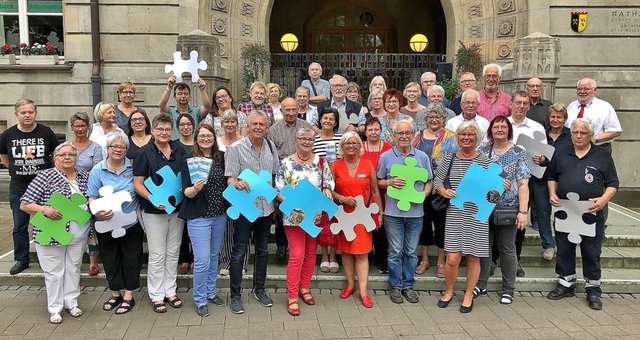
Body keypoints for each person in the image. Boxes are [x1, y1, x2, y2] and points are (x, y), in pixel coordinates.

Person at [546, 118, 619, 311]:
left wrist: (603, 200)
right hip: (566, 211)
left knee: (591, 252)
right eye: (575, 132)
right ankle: (565, 284)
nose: (578, 136)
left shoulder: (602, 156)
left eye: (583, 133)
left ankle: (593, 289)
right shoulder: (561, 154)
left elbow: (613, 183)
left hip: (591, 213)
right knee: (564, 248)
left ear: (591, 135)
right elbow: (551, 176)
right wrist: (552, 193)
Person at [20, 142, 90, 324]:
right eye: (62, 155)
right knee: (54, 272)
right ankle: (55, 307)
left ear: (76, 158)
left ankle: (71, 302)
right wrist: (45, 209)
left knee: (73, 269)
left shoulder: (84, 176)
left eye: (71, 155)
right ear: (54, 158)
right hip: (51, 232)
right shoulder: (45, 176)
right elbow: (25, 203)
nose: (67, 158)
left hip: (78, 233)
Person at [433, 122, 495, 313]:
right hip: (454, 213)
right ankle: (449, 290)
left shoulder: (486, 161)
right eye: (463, 135)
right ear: (457, 137)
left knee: (473, 257)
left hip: (476, 215)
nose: (466, 137)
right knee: (452, 259)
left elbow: (493, 194)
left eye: (470, 134)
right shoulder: (449, 158)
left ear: (477, 138)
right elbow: (437, 182)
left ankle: (468, 295)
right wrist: (444, 191)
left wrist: (500, 188)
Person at [225, 110, 280, 314]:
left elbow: (274, 176)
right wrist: (237, 183)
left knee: (263, 250)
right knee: (240, 251)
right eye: (254, 124)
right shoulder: (235, 149)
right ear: (247, 126)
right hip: (245, 209)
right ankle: (236, 295)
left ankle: (259, 289)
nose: (258, 127)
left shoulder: (271, 147)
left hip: (266, 209)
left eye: (262, 125)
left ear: (266, 128)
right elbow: (230, 179)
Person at [275, 127, 335, 316]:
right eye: (303, 139)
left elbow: (329, 182)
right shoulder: (286, 163)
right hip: (295, 215)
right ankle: (292, 296)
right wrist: (293, 203)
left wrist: (327, 189)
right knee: (297, 255)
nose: (307, 142)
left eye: (310, 139)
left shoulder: (321, 162)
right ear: (296, 140)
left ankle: (305, 288)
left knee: (310, 253)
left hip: (314, 215)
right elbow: (279, 189)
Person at [133, 113, 186, 313]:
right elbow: (137, 184)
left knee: (173, 252)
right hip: (154, 211)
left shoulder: (178, 150)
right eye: (160, 129)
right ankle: (156, 294)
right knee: (157, 254)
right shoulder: (144, 153)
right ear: (152, 131)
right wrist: (153, 198)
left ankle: (170, 290)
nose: (164, 133)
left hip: (177, 210)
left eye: (167, 129)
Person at [0, 98, 59, 275]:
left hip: (44, 187)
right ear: (16, 114)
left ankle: (46, 257)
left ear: (35, 113)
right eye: (23, 112)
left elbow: (56, 154)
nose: (27, 115)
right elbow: (4, 158)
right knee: (20, 225)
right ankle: (21, 259)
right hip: (19, 186)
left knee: (45, 221)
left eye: (30, 112)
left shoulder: (46, 132)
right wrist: (18, 168)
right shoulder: (8, 135)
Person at [475, 116, 530, 305]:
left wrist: (523, 212)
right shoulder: (481, 151)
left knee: (507, 248)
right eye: (496, 126)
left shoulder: (518, 152)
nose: (499, 129)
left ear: (509, 130)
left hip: (508, 207)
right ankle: (481, 283)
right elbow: (474, 179)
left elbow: (523, 183)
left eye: (503, 126)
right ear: (490, 130)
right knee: (484, 247)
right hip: (484, 206)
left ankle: (508, 289)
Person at [87, 133, 142, 315]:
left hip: (130, 223)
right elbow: (92, 196)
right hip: (106, 224)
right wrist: (98, 212)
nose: (118, 150)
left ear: (126, 150)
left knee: (131, 258)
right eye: (114, 146)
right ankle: (115, 292)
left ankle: (128, 295)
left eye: (122, 147)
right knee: (110, 258)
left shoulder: (133, 167)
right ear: (107, 149)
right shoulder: (98, 170)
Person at [377, 121, 432, 304]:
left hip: (416, 213)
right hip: (393, 212)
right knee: (394, 251)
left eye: (408, 132)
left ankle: (408, 285)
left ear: (414, 134)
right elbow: (378, 182)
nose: (404, 136)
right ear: (394, 135)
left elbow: (429, 181)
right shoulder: (385, 157)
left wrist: (423, 194)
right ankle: (395, 286)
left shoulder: (422, 157)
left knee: (410, 251)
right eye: (400, 133)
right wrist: (389, 183)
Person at [179, 123, 228, 317]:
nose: (206, 138)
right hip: (199, 216)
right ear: (196, 138)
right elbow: (186, 192)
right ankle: (199, 299)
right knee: (201, 260)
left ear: (214, 138)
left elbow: (228, 181)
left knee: (214, 256)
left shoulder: (221, 158)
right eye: (202, 136)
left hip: (219, 214)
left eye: (209, 135)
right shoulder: (188, 160)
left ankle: (210, 292)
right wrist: (195, 188)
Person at [333, 132, 383, 308]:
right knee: (346, 251)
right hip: (344, 215)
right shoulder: (335, 166)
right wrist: (341, 198)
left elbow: (376, 191)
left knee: (362, 253)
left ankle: (363, 291)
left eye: (354, 142)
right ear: (342, 147)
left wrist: (380, 213)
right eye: (347, 143)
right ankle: (350, 285)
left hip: (363, 215)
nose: (351, 146)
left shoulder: (368, 165)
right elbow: (329, 190)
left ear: (359, 146)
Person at [412, 104, 457, 278]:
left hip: (442, 188)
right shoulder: (417, 137)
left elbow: (454, 161)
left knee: (441, 225)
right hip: (420, 186)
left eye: (438, 117)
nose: (434, 120)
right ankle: (424, 259)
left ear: (443, 119)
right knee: (423, 224)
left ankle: (440, 261)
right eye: (430, 117)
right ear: (425, 119)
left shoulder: (451, 138)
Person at [268, 98, 312, 258]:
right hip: (284, 175)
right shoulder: (273, 130)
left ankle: (300, 244)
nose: (291, 113)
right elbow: (272, 155)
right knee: (283, 210)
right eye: (288, 110)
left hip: (304, 175)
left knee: (301, 208)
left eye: (294, 109)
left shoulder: (305, 126)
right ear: (282, 111)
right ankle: (282, 245)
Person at [509, 91, 547, 273]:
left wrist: (542, 158)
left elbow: (545, 155)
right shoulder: (502, 124)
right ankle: (493, 259)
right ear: (511, 104)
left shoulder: (537, 127)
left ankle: (516, 259)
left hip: (526, 181)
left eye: (525, 103)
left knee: (520, 219)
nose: (521, 106)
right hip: (501, 180)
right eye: (518, 102)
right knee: (495, 219)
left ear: (529, 106)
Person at [69, 112, 103, 276]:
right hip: (68, 191)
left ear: (88, 127)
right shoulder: (67, 147)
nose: (80, 129)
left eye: (83, 125)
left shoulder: (95, 147)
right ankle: (71, 259)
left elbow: (96, 171)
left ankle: (93, 262)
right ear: (72, 127)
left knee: (92, 227)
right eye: (77, 126)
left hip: (89, 191)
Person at [312, 107, 343, 272]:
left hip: (339, 185)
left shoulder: (340, 138)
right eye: (325, 118)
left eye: (331, 119)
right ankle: (324, 255)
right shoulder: (314, 139)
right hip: (320, 185)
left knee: (336, 220)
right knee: (323, 220)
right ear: (320, 120)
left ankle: (333, 255)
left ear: (336, 122)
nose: (328, 121)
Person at [362, 118, 392, 274]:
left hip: (383, 193)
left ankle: (382, 260)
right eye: (370, 129)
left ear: (381, 131)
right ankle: (366, 258)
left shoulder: (388, 148)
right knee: (366, 226)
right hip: (364, 193)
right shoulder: (360, 148)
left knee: (381, 226)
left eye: (376, 129)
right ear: (365, 131)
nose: (373, 132)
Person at [566, 78, 622, 154]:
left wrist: (595, 138)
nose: (582, 92)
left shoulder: (605, 107)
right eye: (579, 89)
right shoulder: (571, 106)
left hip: (598, 149)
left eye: (586, 89)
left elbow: (616, 131)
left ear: (594, 90)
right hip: (573, 150)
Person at [159, 75, 212, 140]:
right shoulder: (170, 111)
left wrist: (202, 90)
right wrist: (169, 87)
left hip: (193, 147)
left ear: (190, 96)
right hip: (175, 147)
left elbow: (207, 106)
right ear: (174, 97)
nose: (183, 96)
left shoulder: (196, 112)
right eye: (180, 93)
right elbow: (162, 105)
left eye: (186, 93)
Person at [174, 114, 195, 275]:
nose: (185, 127)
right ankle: (184, 259)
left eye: (188, 124)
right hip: (180, 191)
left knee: (195, 229)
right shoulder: (174, 146)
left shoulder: (199, 144)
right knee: (181, 228)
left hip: (198, 192)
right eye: (182, 124)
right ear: (178, 127)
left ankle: (195, 258)